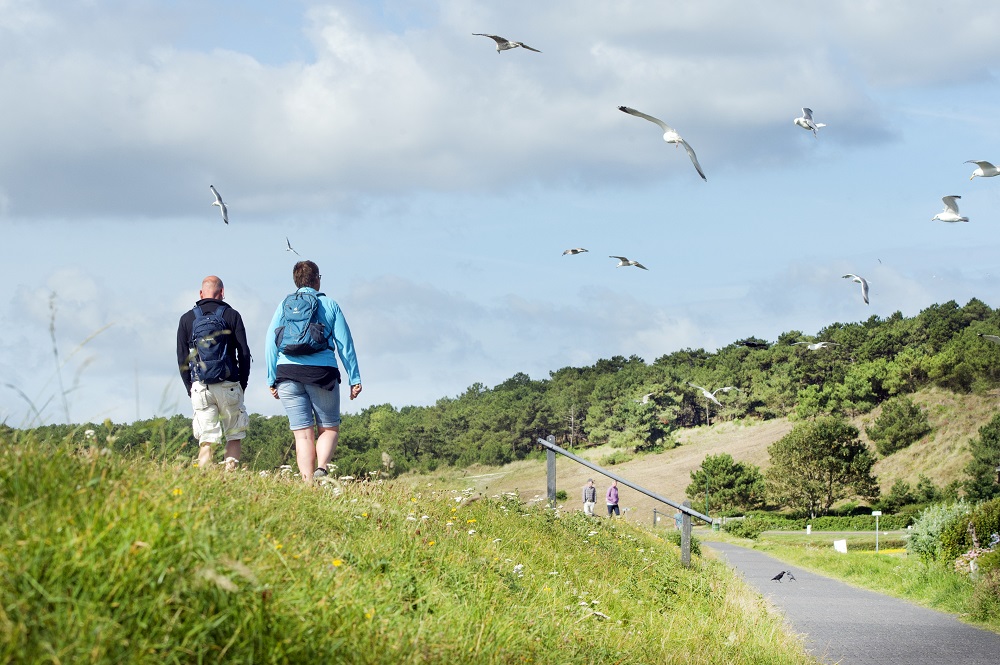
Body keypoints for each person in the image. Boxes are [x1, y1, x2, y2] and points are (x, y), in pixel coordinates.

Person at [265, 260, 362, 483]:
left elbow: (271, 341)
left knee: (302, 434)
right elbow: (344, 344)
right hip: (322, 373)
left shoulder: (284, 305)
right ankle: (322, 469)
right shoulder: (329, 304)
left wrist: (271, 377)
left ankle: (308, 483)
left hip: (287, 372)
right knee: (329, 428)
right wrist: (354, 377)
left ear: (295, 281)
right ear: (317, 279)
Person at [176, 275, 251, 470]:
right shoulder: (232, 315)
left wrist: (190, 387)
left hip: (201, 387)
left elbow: (182, 358)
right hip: (229, 384)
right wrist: (241, 384)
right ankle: (230, 479)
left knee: (207, 440)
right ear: (222, 293)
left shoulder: (187, 319)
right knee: (234, 436)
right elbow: (244, 353)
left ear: (201, 294)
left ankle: (204, 482)